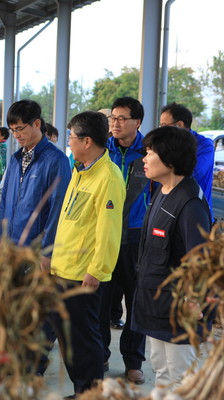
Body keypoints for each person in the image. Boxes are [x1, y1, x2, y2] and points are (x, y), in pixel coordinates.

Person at [49, 111, 125, 395]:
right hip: (63, 268)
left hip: (84, 274)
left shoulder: (109, 177)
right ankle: (81, 388)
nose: (69, 142)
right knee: (67, 337)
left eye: (71, 137)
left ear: (88, 140)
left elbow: (109, 231)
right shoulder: (79, 170)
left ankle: (90, 392)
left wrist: (98, 270)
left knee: (85, 340)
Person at [131, 126, 212, 389]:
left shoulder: (190, 203)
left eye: (150, 152)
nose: (144, 158)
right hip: (156, 306)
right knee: (162, 373)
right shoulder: (162, 191)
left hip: (178, 312)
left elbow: (199, 260)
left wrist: (194, 301)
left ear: (170, 158)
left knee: (180, 380)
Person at [103, 96, 150, 384]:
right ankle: (101, 356)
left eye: (122, 118)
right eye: (113, 117)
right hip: (104, 234)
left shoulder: (149, 152)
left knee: (136, 301)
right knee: (101, 300)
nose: (115, 123)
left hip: (136, 236)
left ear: (137, 122)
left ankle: (133, 361)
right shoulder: (102, 149)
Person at [0, 100, 70, 258]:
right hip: (9, 248)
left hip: (34, 251)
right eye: (12, 130)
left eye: (20, 129)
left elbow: (58, 210)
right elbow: (4, 202)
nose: (16, 135)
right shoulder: (15, 159)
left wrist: (47, 252)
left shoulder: (56, 160)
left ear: (36, 123)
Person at [159, 102, 214, 217]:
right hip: (171, 210)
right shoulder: (166, 145)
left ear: (179, 124)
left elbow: (192, 174)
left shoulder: (204, 146)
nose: (161, 131)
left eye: (164, 126)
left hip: (197, 211)